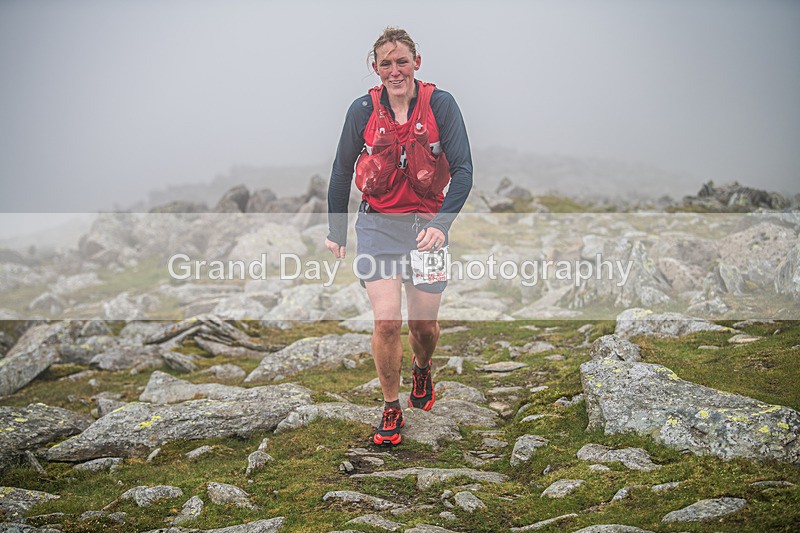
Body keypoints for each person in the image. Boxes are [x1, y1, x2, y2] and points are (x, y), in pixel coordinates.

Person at [325, 27, 473, 446]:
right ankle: (391, 407)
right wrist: (336, 230)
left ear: (416, 63)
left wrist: (440, 226)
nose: (395, 70)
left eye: (401, 61)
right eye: (386, 63)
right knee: (387, 321)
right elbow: (340, 171)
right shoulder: (362, 110)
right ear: (376, 69)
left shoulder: (441, 105)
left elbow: (463, 171)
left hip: (427, 227)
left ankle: (422, 370)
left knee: (423, 327)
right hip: (377, 226)